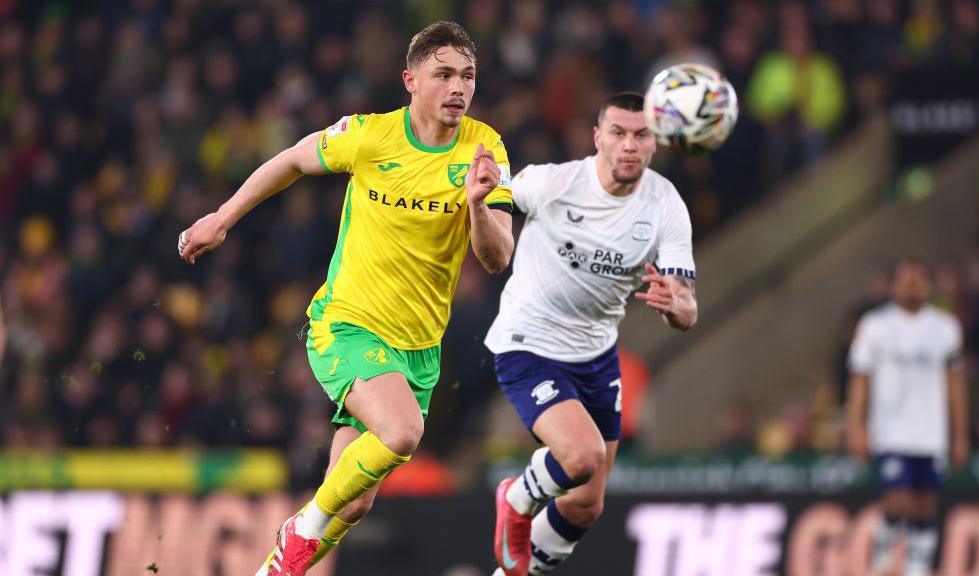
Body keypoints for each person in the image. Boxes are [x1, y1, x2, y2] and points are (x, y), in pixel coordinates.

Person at [178, 21, 515, 576]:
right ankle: (300, 530)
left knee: (353, 500)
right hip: (347, 325)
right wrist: (222, 218)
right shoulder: (368, 136)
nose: (459, 87)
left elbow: (497, 256)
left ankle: (274, 569)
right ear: (411, 80)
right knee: (403, 432)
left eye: (468, 76)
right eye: (444, 74)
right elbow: (289, 160)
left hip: (418, 350)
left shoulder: (487, 147)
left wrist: (478, 205)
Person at [485, 92, 699, 576]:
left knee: (585, 505)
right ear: (598, 138)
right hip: (529, 344)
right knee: (582, 456)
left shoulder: (665, 204)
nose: (629, 145)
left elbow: (687, 307)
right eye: (619, 133)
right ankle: (515, 499)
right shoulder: (555, 182)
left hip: (597, 356)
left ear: (654, 143)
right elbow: (497, 190)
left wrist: (676, 304)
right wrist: (478, 191)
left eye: (641, 135)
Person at [846, 258, 970, 576]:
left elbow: (955, 385)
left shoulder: (946, 328)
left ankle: (917, 567)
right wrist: (855, 427)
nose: (912, 285)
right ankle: (883, 554)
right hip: (890, 431)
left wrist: (960, 434)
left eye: (918, 279)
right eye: (905, 279)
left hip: (931, 432)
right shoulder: (874, 326)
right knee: (897, 500)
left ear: (929, 286)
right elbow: (860, 379)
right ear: (893, 285)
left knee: (924, 503)